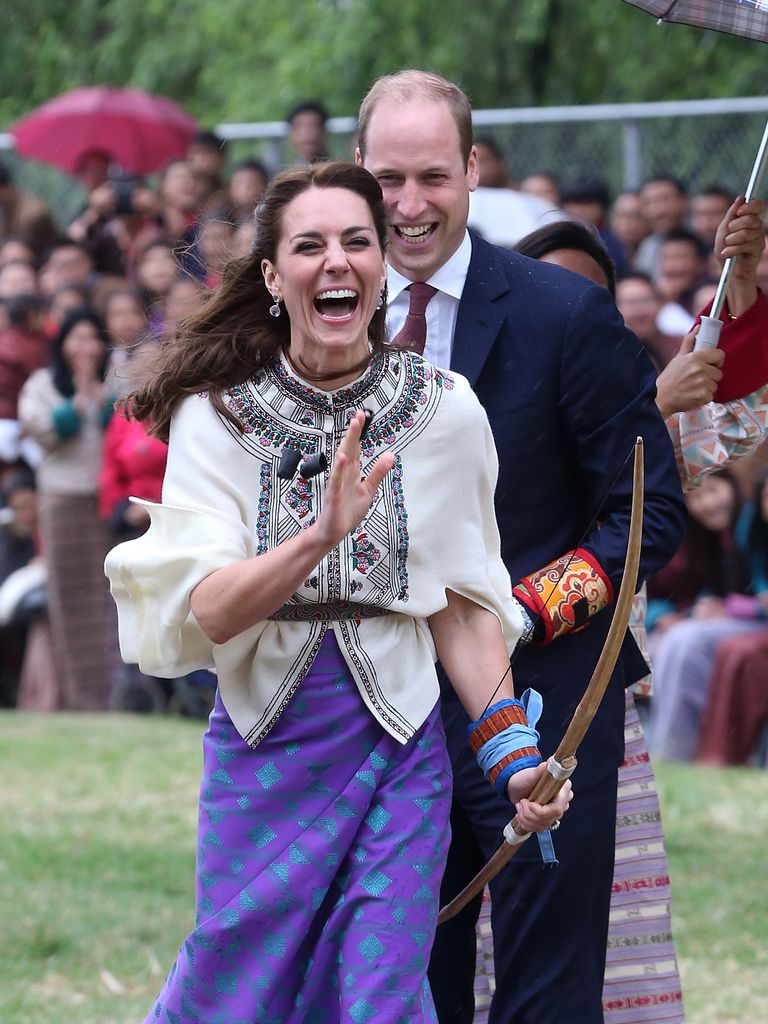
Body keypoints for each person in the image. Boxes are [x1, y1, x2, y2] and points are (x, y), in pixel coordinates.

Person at [105, 160, 571, 1023]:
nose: (337, 261)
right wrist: (318, 537)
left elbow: (462, 607)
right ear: (275, 278)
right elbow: (209, 608)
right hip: (265, 742)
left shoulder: (445, 409)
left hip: (401, 745)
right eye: (309, 246)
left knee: (381, 995)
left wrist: (511, 759)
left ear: (385, 264)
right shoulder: (219, 415)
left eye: (358, 241)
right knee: (232, 987)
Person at [356, 70, 686, 1024]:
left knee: (545, 989)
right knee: (407, 980)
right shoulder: (326, 316)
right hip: (382, 710)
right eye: (386, 179)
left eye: (431, 177)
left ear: (470, 170)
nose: (409, 206)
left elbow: (646, 512)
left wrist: (518, 614)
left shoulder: (563, 314)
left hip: (545, 701)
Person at [18, 307, 116, 710]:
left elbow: (132, 430)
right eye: (77, 337)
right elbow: (43, 432)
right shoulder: (43, 383)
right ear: (62, 344)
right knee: (69, 598)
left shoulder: (116, 380)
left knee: (108, 598)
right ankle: (74, 697)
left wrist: (103, 399)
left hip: (105, 499)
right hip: (61, 500)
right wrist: (76, 402)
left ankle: (115, 693)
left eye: (93, 336)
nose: (86, 345)